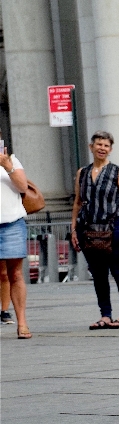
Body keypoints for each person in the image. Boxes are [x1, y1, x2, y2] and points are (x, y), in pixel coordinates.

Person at [70, 131, 119, 330]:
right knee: (98, 273)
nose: (102, 148)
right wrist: (74, 229)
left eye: (106, 145)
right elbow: (78, 202)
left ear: (110, 149)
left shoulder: (118, 171)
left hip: (114, 226)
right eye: (98, 144)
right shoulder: (82, 173)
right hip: (88, 229)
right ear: (91, 147)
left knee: (118, 270)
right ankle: (105, 315)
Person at [0, 135, 31, 339]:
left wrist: (8, 166)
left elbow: (23, 188)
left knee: (15, 274)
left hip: (11, 223)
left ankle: (21, 323)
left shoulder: (12, 160)